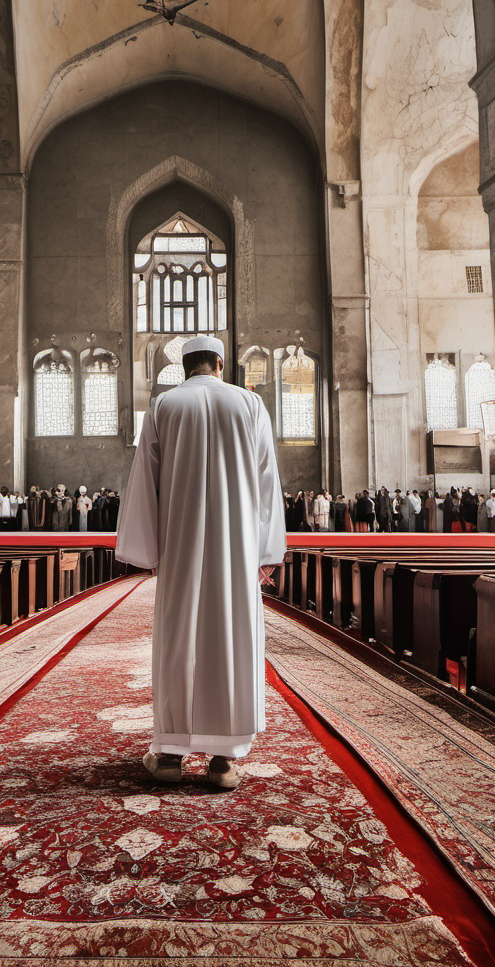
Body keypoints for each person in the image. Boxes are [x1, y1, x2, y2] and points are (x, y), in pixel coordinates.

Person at [117, 335, 286, 790]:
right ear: (219, 363)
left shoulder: (163, 406)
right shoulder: (249, 404)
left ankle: (170, 754)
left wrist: (151, 553)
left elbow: (145, 481)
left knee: (179, 637)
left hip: (181, 542)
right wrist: (265, 552)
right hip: (237, 547)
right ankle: (223, 761)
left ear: (184, 367)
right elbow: (268, 481)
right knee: (231, 636)